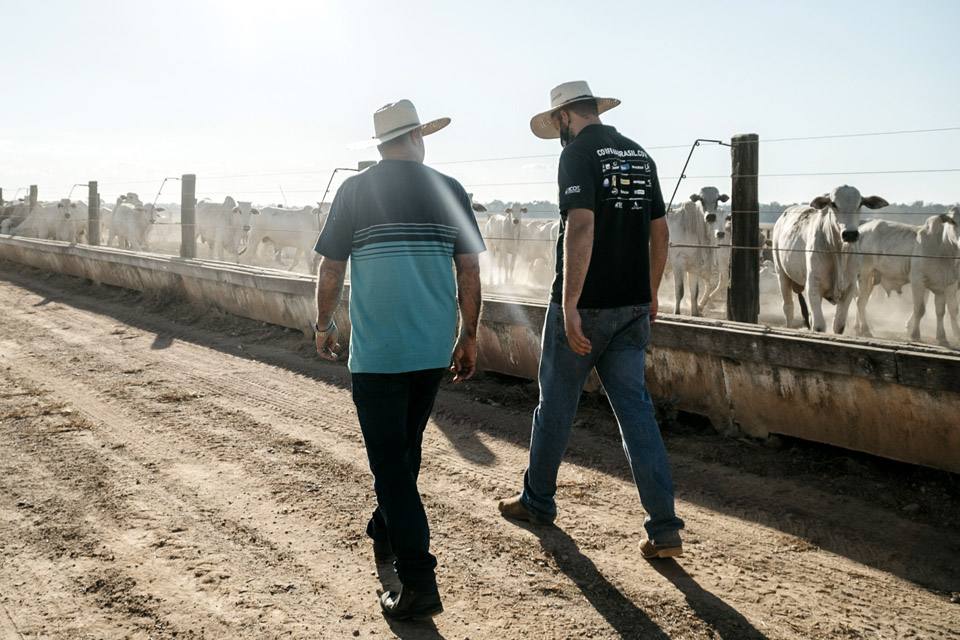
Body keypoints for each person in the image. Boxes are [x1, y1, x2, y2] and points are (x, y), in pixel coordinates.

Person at [313, 99, 484, 619]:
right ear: (415, 137)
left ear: (381, 143)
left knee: (391, 462)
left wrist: (323, 323)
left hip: (378, 354)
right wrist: (469, 335)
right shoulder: (449, 189)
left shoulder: (355, 190)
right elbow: (469, 270)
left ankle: (418, 583)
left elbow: (331, 269)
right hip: (432, 350)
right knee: (405, 452)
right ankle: (384, 528)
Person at [498, 81, 685, 559]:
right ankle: (664, 528)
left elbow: (581, 225)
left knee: (556, 406)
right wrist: (651, 291)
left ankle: (538, 501)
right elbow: (661, 232)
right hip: (633, 308)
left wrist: (569, 304)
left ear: (564, 117)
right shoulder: (639, 155)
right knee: (636, 413)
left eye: (556, 123)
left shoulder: (577, 154)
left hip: (587, 309)